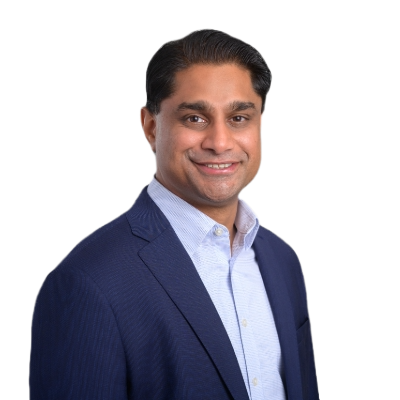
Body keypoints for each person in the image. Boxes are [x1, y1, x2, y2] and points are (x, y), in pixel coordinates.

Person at [29, 28, 318, 399]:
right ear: (150, 127)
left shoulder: (282, 261)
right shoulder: (88, 283)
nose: (219, 143)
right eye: (195, 118)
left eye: (238, 118)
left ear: (260, 125)